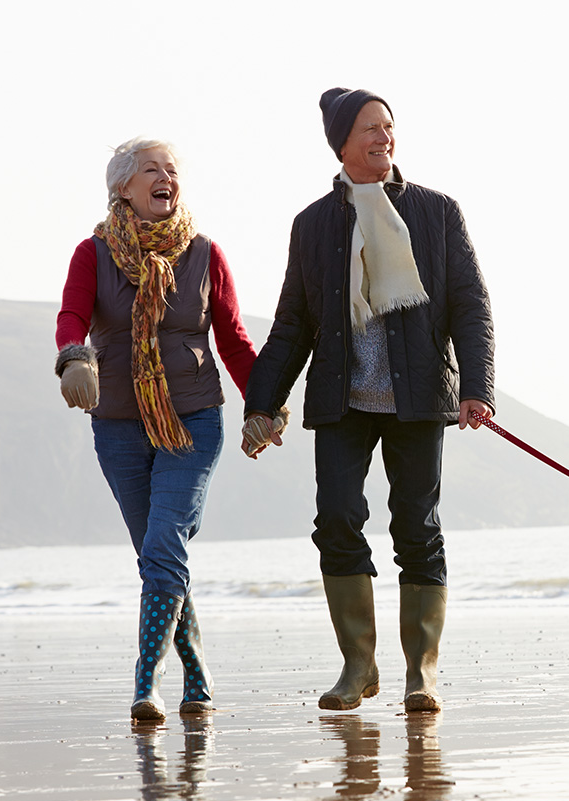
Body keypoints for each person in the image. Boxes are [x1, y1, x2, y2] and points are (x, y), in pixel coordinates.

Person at [241, 88, 496, 713]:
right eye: (369, 129)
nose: (383, 137)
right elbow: (292, 324)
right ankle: (359, 666)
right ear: (341, 143)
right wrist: (260, 402)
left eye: (388, 126)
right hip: (342, 400)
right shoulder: (314, 224)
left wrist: (476, 389)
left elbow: (470, 305)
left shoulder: (437, 213)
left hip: (416, 399)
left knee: (418, 528)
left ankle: (421, 673)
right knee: (336, 521)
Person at [54, 137, 268, 721]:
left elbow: (232, 338)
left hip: (194, 420)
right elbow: (72, 315)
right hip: (119, 425)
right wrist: (76, 356)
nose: (165, 176)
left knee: (164, 542)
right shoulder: (92, 254)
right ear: (122, 187)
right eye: (151, 169)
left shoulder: (204, 254)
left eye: (172, 169)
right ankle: (197, 675)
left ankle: (145, 683)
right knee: (158, 555)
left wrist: (262, 403)